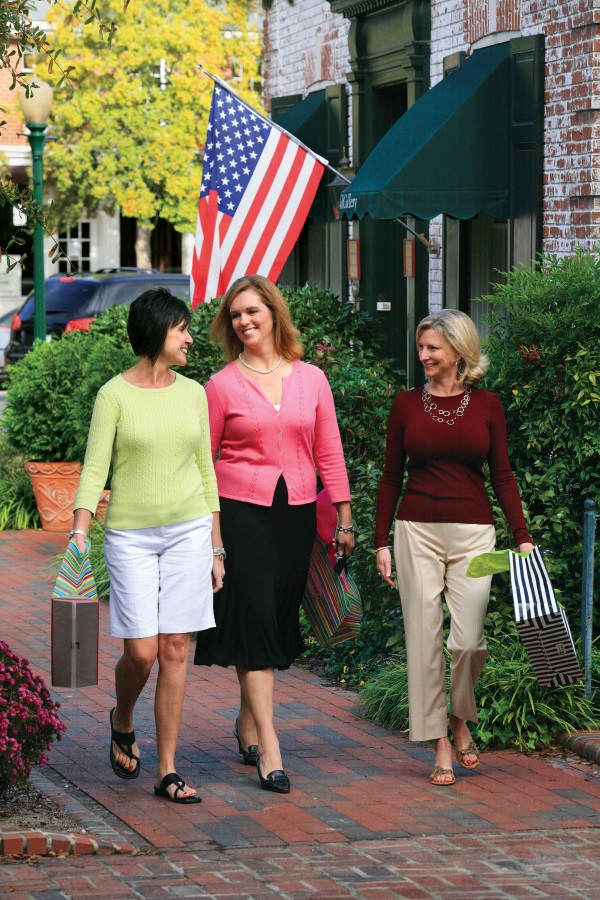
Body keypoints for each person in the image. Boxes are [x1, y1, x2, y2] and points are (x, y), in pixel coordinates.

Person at [194, 274, 354, 794]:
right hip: (242, 512)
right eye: (236, 315)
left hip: (297, 513)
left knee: (277, 618)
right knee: (258, 613)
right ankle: (270, 747)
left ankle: (245, 721)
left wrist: (346, 517)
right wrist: (213, 539)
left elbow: (329, 450)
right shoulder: (220, 386)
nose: (244, 322)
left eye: (252, 312)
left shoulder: (311, 379)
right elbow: (204, 462)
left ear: (273, 314)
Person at [70, 288, 221, 804]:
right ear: (158, 332)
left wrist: (216, 545)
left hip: (188, 531)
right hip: (130, 535)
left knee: (176, 647)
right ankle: (123, 717)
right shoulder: (114, 394)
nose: (190, 337)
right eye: (182, 328)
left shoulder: (193, 393)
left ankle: (168, 769)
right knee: (141, 651)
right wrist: (78, 530)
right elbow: (95, 468)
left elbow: (206, 469)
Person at [374, 309, 533, 786]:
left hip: (476, 535)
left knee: (468, 640)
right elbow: (390, 476)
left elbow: (501, 474)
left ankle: (460, 715)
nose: (422, 356)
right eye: (420, 347)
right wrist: (380, 541)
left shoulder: (487, 405)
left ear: (458, 352)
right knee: (423, 640)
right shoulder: (405, 405)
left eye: (432, 349)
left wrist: (521, 535)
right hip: (414, 531)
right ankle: (440, 740)